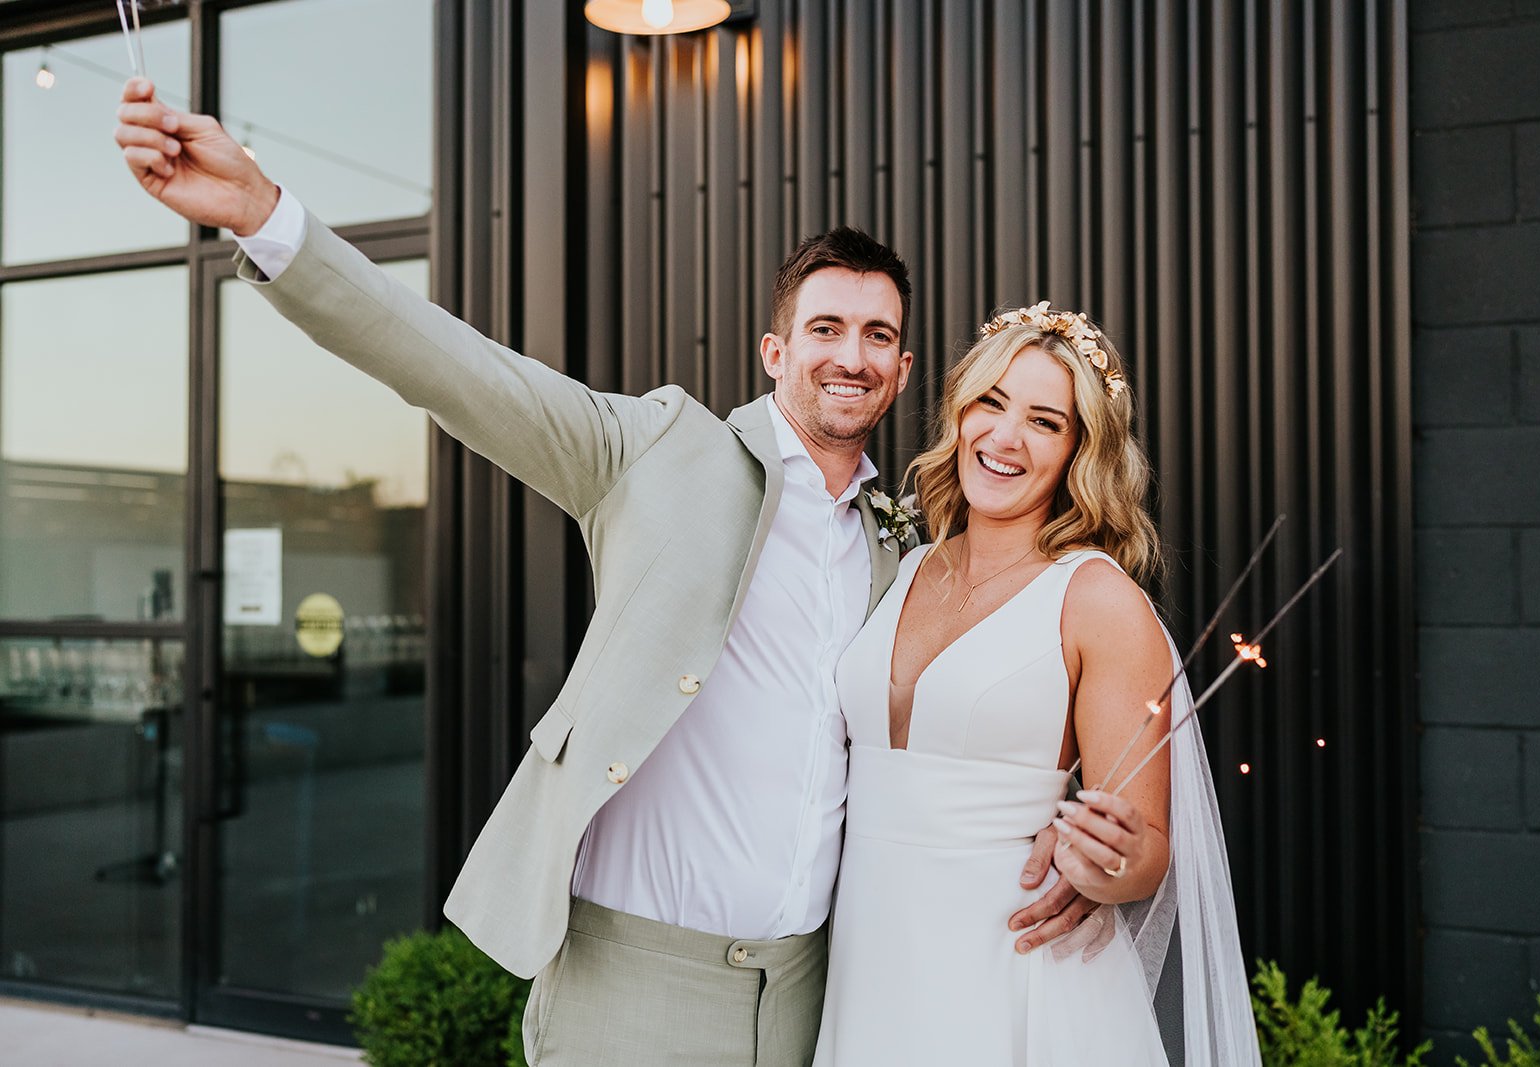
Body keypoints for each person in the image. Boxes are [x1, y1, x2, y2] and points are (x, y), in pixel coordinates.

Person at [112, 79, 1093, 1065]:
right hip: (631, 984)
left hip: (814, 992)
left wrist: (1059, 830)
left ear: (905, 367)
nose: (852, 355)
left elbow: (970, 709)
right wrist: (262, 215)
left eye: (877, 335)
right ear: (773, 350)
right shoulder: (656, 449)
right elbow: (455, 367)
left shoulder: (908, 544)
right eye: (826, 328)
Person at [814, 303, 1259, 1065]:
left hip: (1014, 967)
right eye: (991, 402)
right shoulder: (904, 565)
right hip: (868, 960)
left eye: (1044, 421)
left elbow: (1147, 845)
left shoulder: (1095, 599)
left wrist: (1104, 861)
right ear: (960, 412)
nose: (1005, 436)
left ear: (1079, 451)